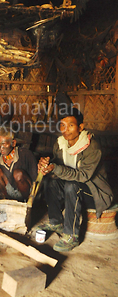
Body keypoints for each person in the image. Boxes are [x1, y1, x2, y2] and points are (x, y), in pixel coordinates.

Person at [38, 108, 113, 252]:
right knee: (50, 182)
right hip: (72, 190)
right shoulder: (60, 144)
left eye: (71, 125)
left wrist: (55, 167)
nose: (66, 130)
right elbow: (58, 165)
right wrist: (46, 165)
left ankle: (71, 236)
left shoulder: (92, 146)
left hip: (95, 193)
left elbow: (83, 176)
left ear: (80, 127)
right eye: (62, 125)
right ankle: (55, 222)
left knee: (73, 186)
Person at [0, 128, 38, 201]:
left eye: (4, 144)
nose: (1, 147)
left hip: (27, 193)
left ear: (13, 143)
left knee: (17, 174)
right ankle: (8, 199)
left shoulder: (26, 154)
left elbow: (36, 180)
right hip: (9, 193)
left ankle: (24, 202)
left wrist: (32, 199)